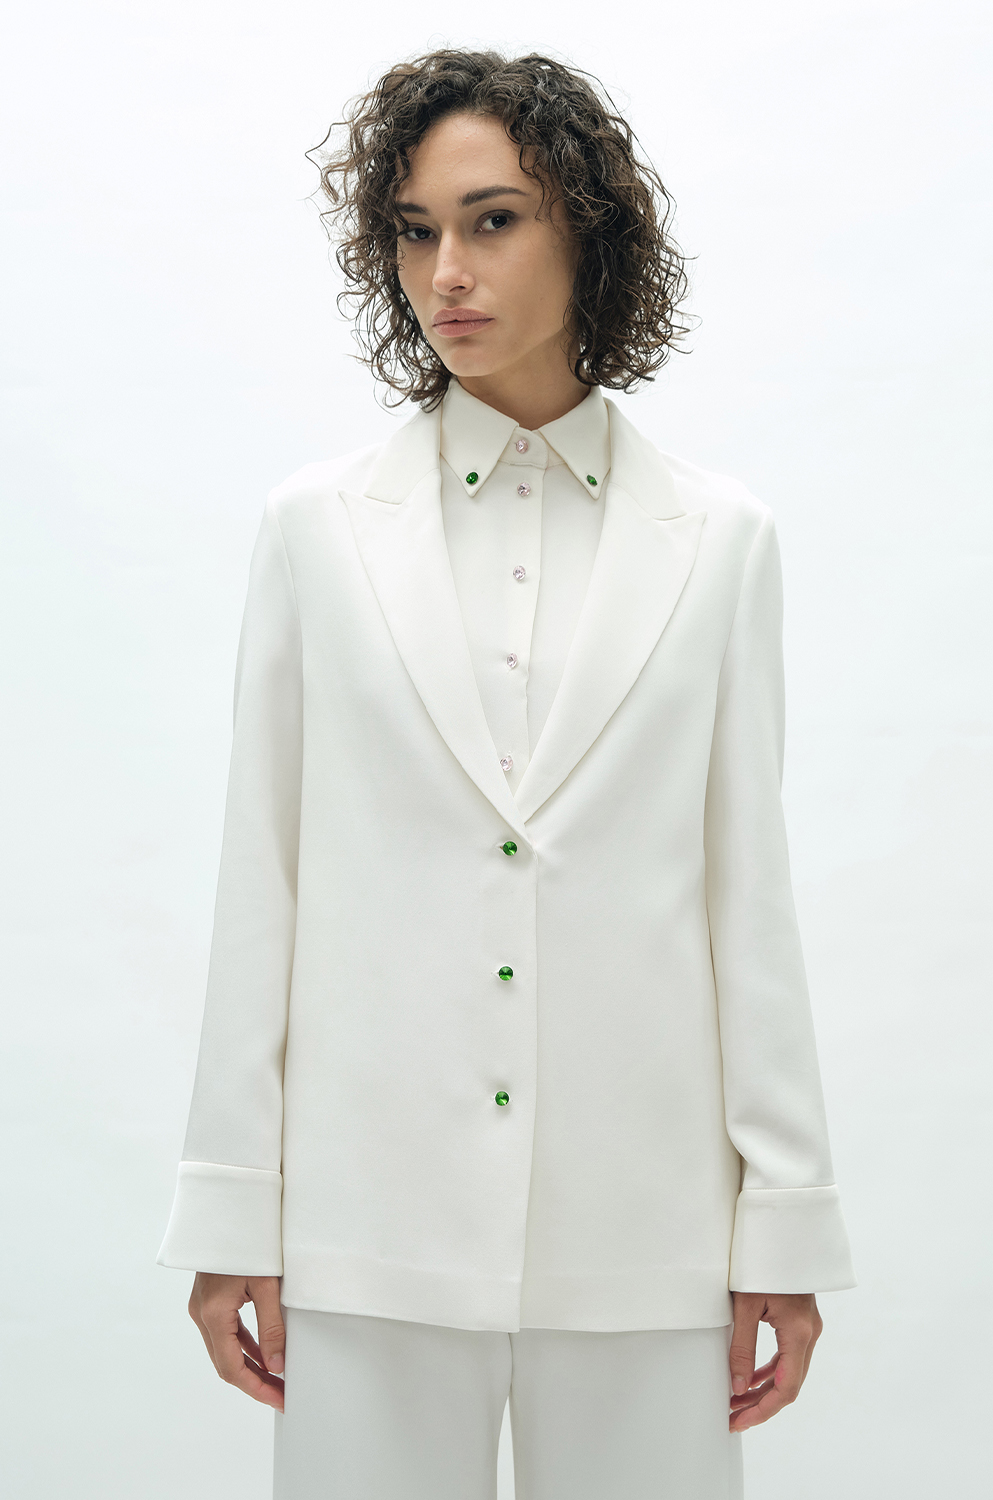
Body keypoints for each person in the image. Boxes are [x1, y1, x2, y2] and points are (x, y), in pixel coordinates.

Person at [158, 48, 855, 1500]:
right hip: (368, 1219)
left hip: (645, 1227)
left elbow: (748, 901)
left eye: (492, 221)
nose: (447, 274)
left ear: (586, 231)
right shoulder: (314, 531)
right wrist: (233, 1209)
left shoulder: (720, 541)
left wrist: (783, 1219)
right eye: (415, 232)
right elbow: (260, 879)